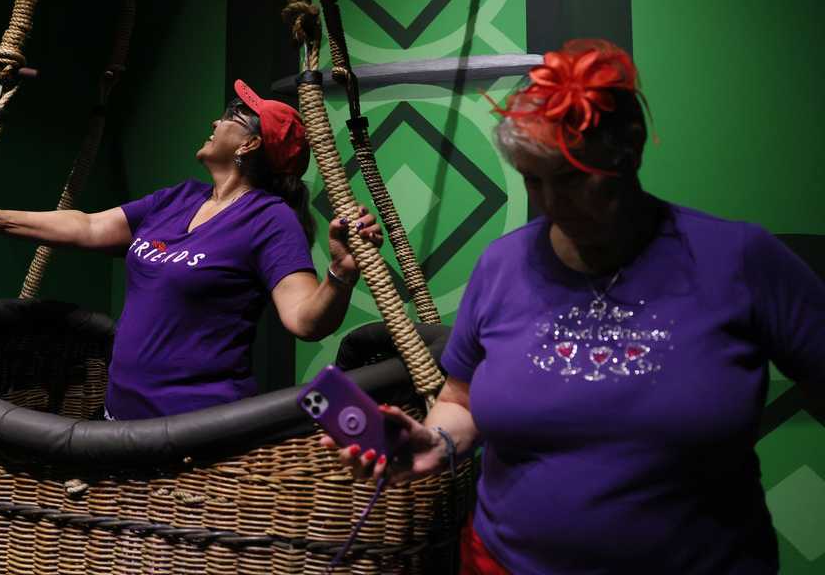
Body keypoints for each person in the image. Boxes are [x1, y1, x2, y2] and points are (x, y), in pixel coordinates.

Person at [324, 39, 825, 574]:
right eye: (531, 180)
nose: (551, 204)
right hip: (504, 563)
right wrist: (435, 440)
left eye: (571, 178)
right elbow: (463, 401)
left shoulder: (740, 260)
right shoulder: (501, 266)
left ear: (628, 149)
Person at [0, 79, 383, 420]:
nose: (216, 120)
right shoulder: (179, 197)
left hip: (194, 428)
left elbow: (304, 319)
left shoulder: (269, 219)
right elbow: (88, 226)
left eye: (231, 114)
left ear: (249, 143)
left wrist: (340, 273)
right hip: (120, 418)